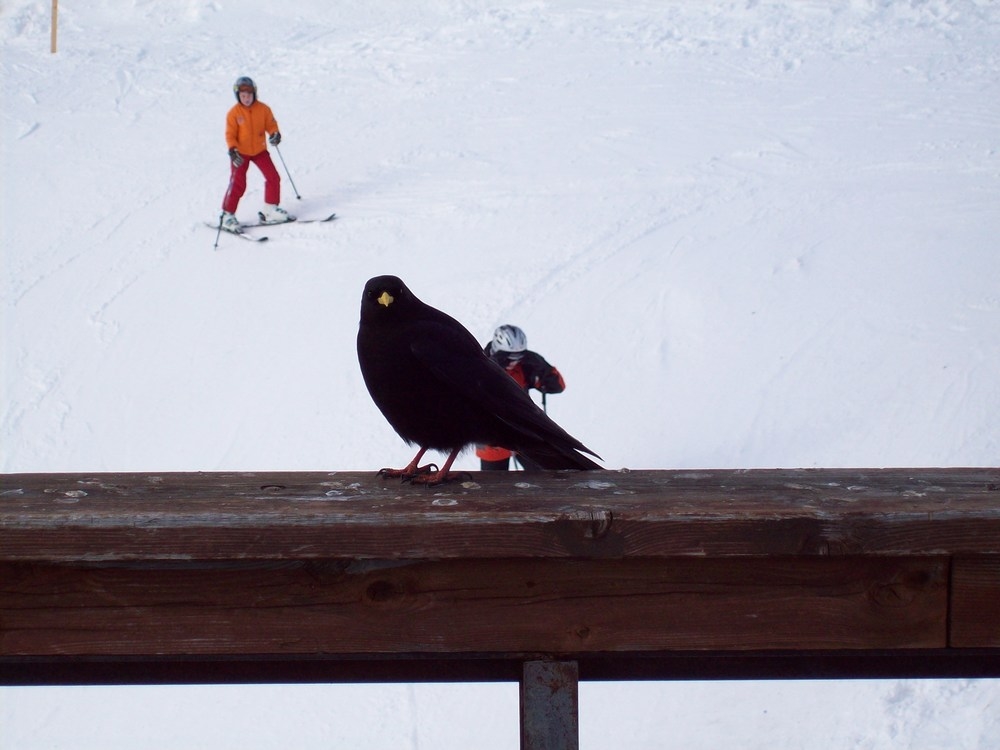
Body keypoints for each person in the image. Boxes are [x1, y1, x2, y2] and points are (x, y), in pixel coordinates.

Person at [476, 324, 568, 471]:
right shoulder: (478, 363)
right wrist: (493, 369)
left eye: (519, 356)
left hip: (525, 436)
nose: (514, 361)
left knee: (543, 477)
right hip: (492, 441)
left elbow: (556, 387)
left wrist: (543, 367)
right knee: (494, 486)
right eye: (510, 357)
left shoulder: (523, 368)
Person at [220, 76, 294, 232]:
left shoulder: (263, 109)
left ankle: (270, 209)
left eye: (249, 95)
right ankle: (227, 215)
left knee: (273, 177)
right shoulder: (234, 113)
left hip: (260, 151)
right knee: (238, 184)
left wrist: (275, 134)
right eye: (243, 96)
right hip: (240, 154)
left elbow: (271, 124)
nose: (246, 99)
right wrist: (232, 150)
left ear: (255, 94)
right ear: (238, 96)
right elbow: (230, 134)